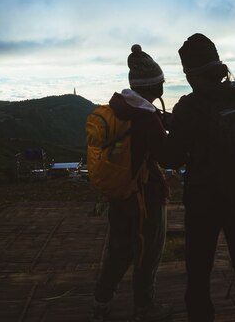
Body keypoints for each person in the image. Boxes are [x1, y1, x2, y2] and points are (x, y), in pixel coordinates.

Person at [159, 33, 235, 322]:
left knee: (199, 272)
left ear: (190, 74)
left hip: (204, 201)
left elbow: (171, 158)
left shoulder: (188, 107)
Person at [91, 45, 172, 322]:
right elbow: (169, 156)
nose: (163, 84)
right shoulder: (147, 119)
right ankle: (144, 308)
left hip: (120, 192)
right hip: (145, 196)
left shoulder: (121, 109)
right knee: (148, 252)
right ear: (154, 85)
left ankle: (101, 301)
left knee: (118, 250)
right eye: (161, 81)